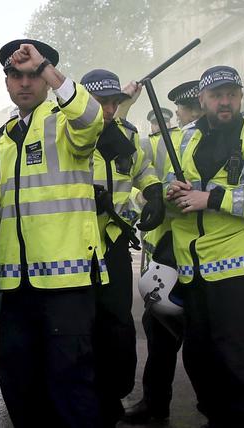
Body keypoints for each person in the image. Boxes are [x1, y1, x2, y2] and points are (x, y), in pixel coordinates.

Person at [0, 39, 106, 427]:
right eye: (17, 75)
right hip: (16, 281)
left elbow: (92, 118)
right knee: (19, 383)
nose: (26, 83)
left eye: (34, 75)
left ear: (47, 80)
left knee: (70, 383)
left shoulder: (67, 124)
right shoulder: (3, 137)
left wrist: (47, 64)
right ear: (7, 82)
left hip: (66, 281)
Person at [165, 65, 244, 428]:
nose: (225, 101)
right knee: (200, 357)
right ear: (202, 99)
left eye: (232, 94)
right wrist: (170, 194)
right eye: (217, 95)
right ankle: (217, 418)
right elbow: (163, 184)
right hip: (195, 267)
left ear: (240, 96)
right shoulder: (181, 138)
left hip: (242, 268)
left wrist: (211, 198)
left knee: (240, 359)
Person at [80, 68, 162, 427]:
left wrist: (155, 189)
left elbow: (142, 169)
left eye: (114, 102)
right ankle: (84, 397)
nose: (110, 109)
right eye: (102, 102)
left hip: (112, 242)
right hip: (75, 245)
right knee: (80, 326)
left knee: (117, 325)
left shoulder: (127, 133)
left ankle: (113, 395)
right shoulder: (66, 133)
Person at [124, 78, 204, 424]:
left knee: (207, 343)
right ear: (180, 113)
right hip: (165, 261)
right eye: (190, 113)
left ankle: (213, 408)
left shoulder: (223, 143)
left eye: (198, 112)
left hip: (205, 259)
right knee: (159, 340)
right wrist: (152, 197)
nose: (193, 120)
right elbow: (136, 178)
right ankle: (154, 405)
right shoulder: (159, 146)